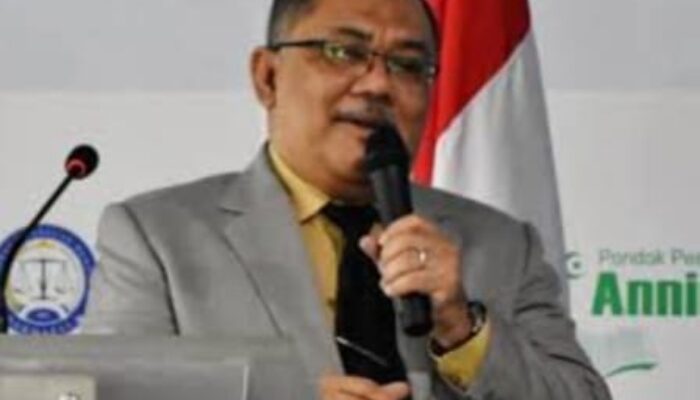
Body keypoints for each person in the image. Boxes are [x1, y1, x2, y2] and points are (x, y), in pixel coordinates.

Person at [83, 0, 611, 399]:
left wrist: (460, 326)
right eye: (344, 52)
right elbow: (111, 396)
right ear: (267, 77)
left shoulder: (502, 244)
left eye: (408, 65)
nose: (378, 83)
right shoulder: (158, 238)